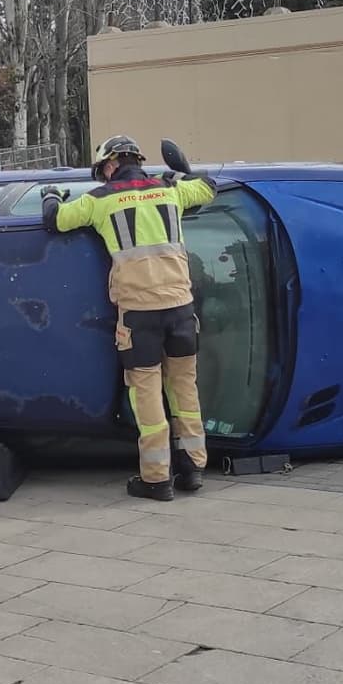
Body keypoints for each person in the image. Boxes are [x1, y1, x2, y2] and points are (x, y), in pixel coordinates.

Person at [42, 136, 216, 500]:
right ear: (137, 160)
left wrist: (52, 194)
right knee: (184, 389)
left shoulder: (99, 200)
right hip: (181, 309)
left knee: (147, 394)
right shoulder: (170, 192)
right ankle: (193, 468)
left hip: (140, 316)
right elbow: (208, 188)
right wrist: (181, 172)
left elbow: (55, 221)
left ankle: (156, 479)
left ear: (109, 166)